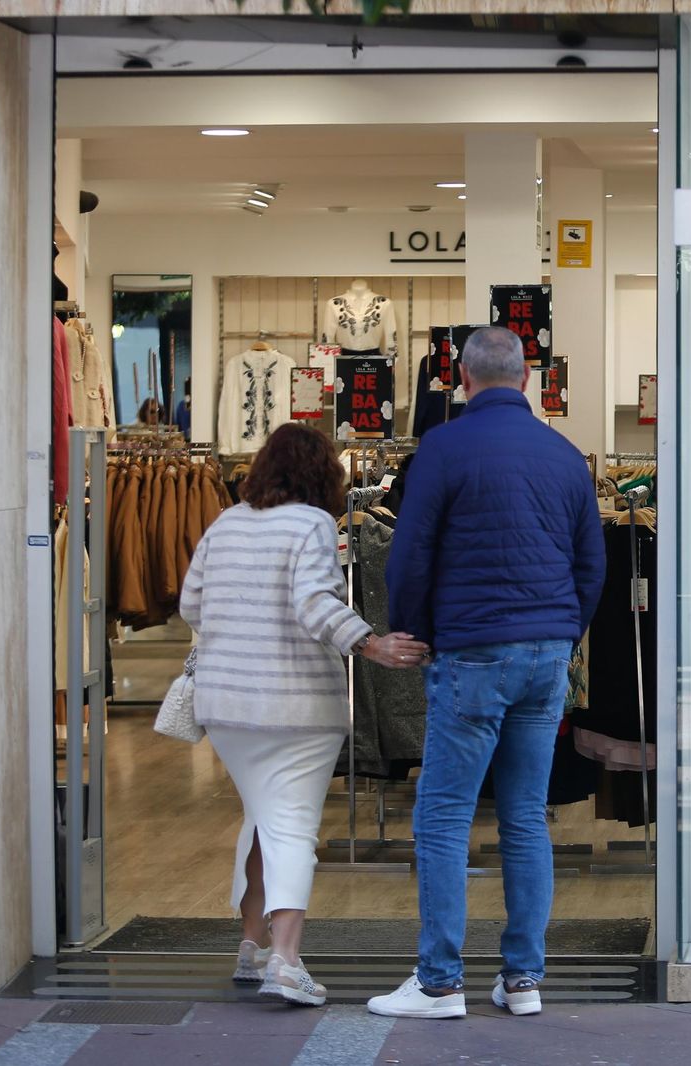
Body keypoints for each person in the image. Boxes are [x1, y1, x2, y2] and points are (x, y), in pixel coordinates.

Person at [369, 326, 605, 1020]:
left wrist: (414, 632)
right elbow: (591, 562)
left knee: (444, 815)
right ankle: (523, 979)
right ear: (527, 380)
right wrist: (563, 633)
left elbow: (408, 556)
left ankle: (440, 982)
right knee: (526, 816)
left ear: (463, 381)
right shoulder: (565, 455)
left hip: (472, 649)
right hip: (546, 652)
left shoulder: (442, 448)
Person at [179, 423, 428, 1007]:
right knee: (291, 825)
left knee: (263, 818)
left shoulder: (226, 522)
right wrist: (372, 643)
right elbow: (316, 602)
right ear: (326, 475)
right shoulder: (312, 524)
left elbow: (191, 604)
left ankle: (252, 944)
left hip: (227, 705)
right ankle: (286, 963)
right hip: (296, 706)